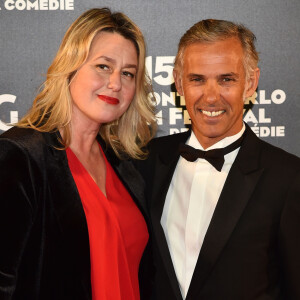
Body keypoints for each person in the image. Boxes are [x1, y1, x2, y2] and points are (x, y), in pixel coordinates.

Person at [136, 19, 300, 299]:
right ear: (178, 82)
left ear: (250, 83)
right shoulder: (145, 162)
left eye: (226, 79)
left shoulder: (288, 178)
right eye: (197, 79)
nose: (211, 97)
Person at [0, 8, 156, 300]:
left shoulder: (124, 165)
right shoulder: (20, 158)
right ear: (70, 66)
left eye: (127, 73)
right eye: (103, 66)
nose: (115, 83)